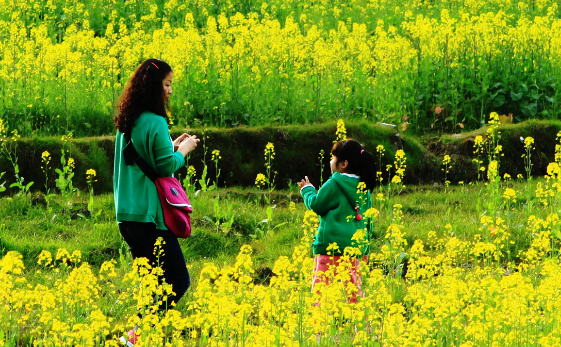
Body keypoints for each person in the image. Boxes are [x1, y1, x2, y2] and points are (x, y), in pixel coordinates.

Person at [113, 58, 199, 344]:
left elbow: (142, 160)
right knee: (178, 280)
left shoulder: (126, 122)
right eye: (167, 84)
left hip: (127, 215)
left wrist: (169, 147)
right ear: (154, 87)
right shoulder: (156, 121)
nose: (170, 91)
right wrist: (183, 149)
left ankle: (141, 338)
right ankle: (134, 336)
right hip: (151, 217)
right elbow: (165, 167)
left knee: (151, 284)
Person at [299, 139, 375, 303]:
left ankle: (318, 327)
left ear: (343, 164)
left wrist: (307, 190)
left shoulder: (333, 183)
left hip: (329, 249)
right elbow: (367, 220)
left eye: (333, 158)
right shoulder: (364, 188)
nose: (330, 161)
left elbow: (317, 205)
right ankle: (362, 327)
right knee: (355, 293)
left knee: (321, 291)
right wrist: (365, 248)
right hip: (354, 249)